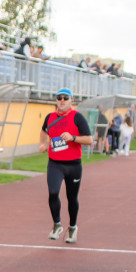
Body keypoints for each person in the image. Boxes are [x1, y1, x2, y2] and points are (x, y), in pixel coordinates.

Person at [38, 88, 92, 244]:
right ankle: (57, 225)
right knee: (53, 193)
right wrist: (42, 144)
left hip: (73, 165)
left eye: (65, 98)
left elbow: (89, 140)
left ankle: (73, 227)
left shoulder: (77, 118)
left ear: (71, 101)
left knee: (71, 197)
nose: (62, 100)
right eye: (59, 98)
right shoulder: (50, 117)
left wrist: (73, 137)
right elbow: (43, 132)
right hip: (55, 163)